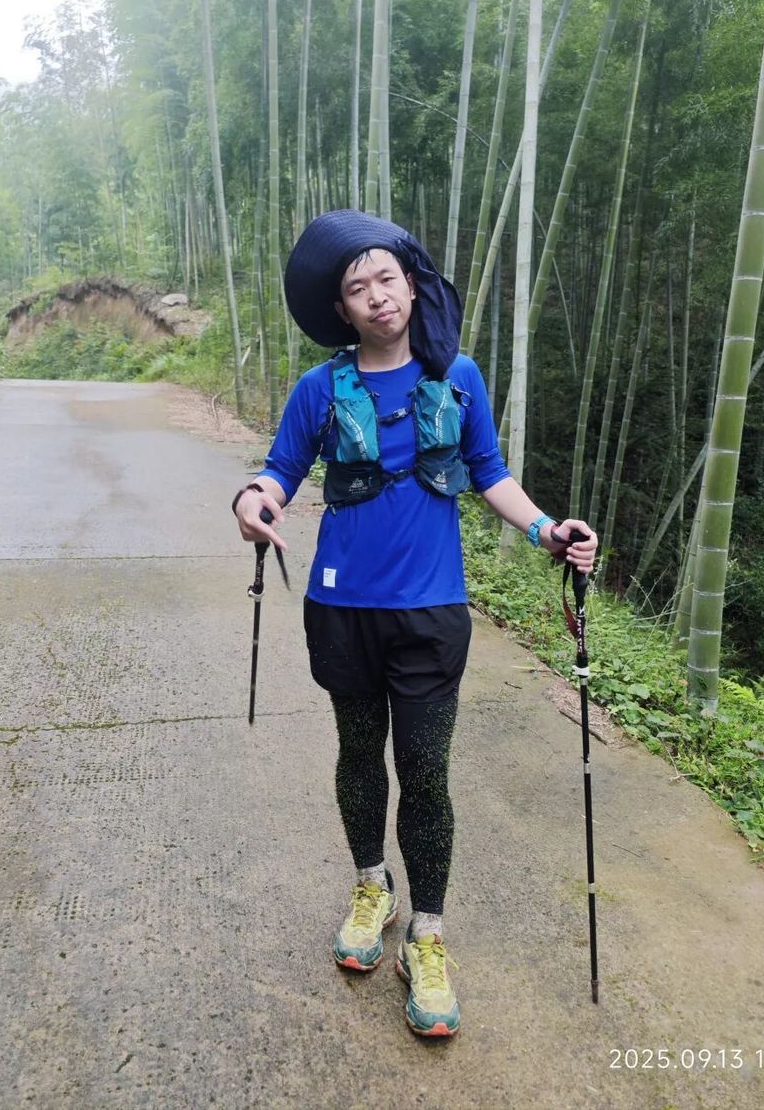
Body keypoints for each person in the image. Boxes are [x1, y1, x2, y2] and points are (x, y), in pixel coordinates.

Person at [233, 210, 597, 1039]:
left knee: (426, 769)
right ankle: (373, 885)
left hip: (431, 611)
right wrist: (251, 500)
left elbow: (489, 473)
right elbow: (279, 471)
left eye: (385, 278)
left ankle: (426, 934)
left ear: (411, 285)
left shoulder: (457, 375)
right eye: (357, 287)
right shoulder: (320, 388)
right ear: (343, 308)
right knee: (359, 752)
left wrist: (548, 530)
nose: (376, 295)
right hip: (342, 608)